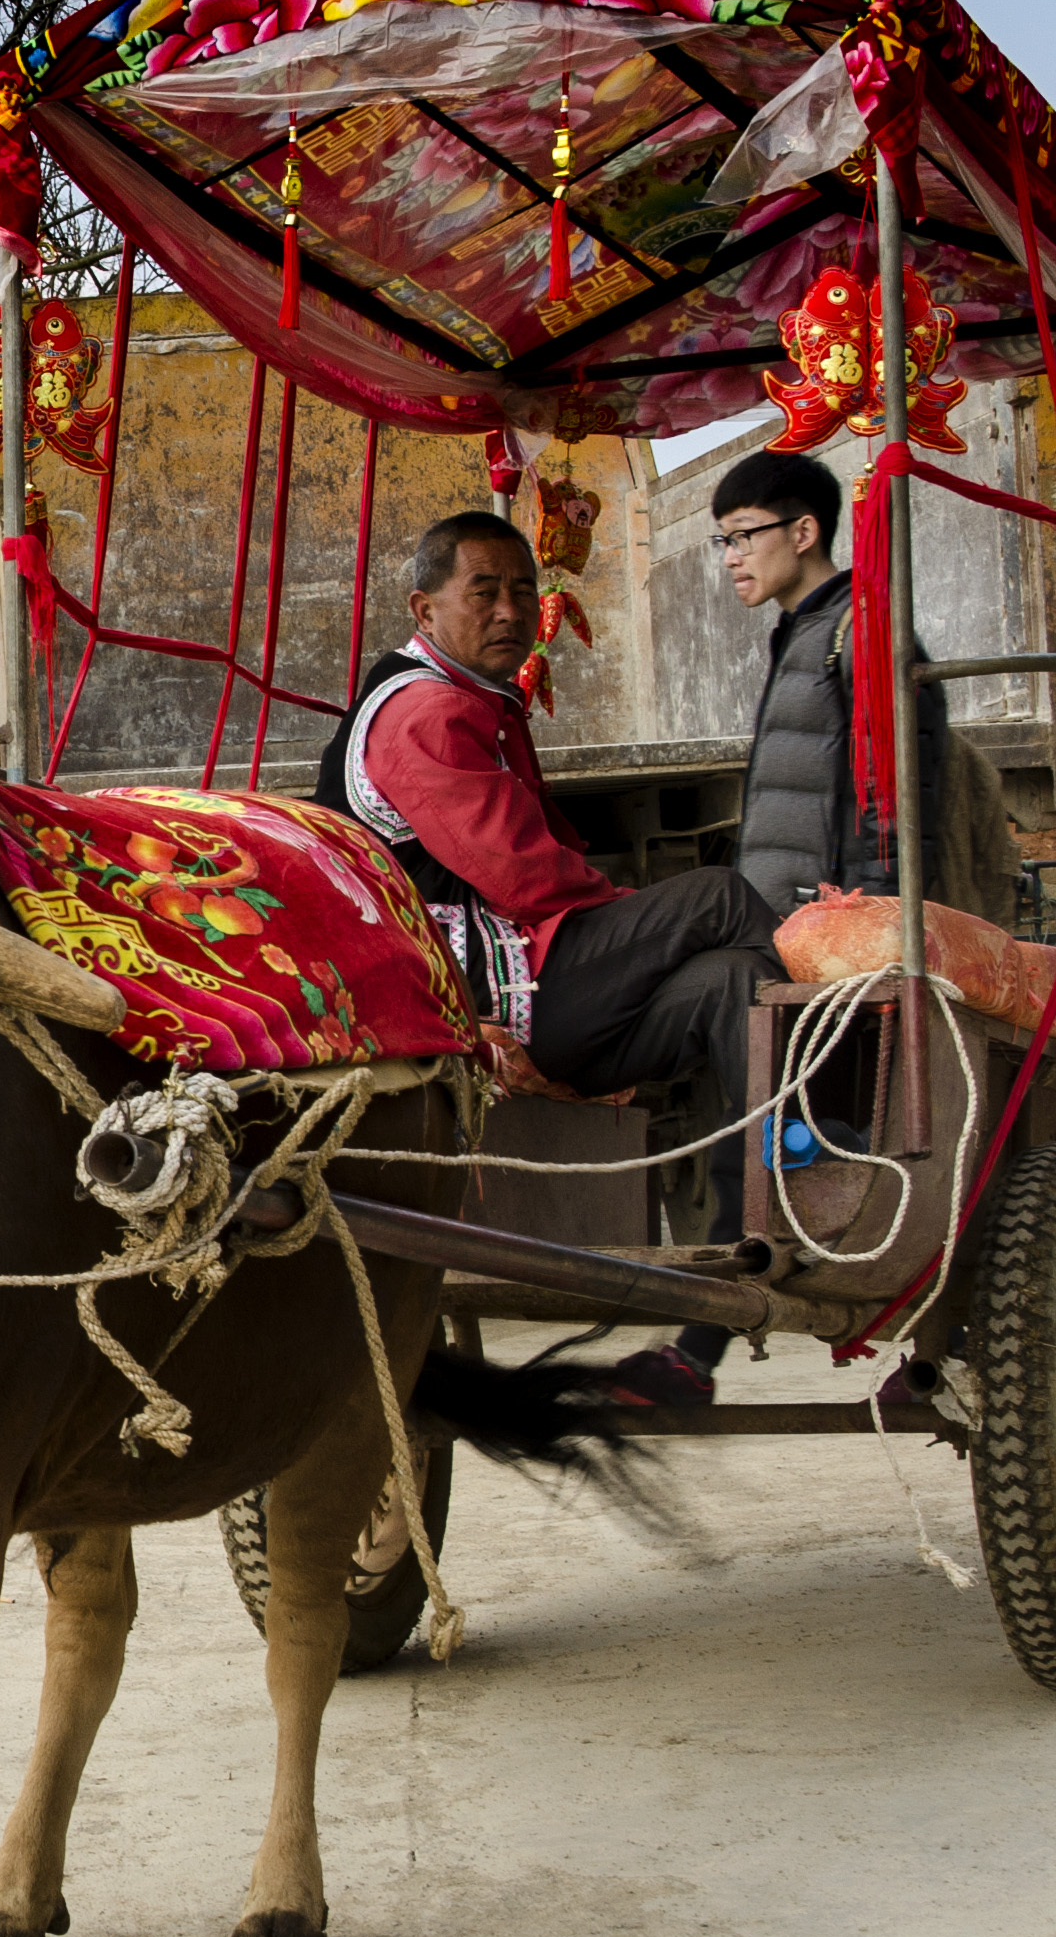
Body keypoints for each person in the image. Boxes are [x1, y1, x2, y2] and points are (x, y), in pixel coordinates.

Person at [322, 509, 784, 1405]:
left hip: (521, 974)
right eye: (482, 591)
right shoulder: (425, 711)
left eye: (524, 591)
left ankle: (752, 1222)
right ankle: (817, 1139)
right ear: (425, 608)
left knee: (734, 984)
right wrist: (636, 925)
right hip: (482, 991)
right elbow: (525, 873)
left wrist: (633, 933)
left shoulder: (475, 701)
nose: (509, 611)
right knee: (720, 900)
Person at [714, 448, 956, 913]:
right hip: (789, 920)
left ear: (803, 532)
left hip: (834, 921)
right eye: (723, 540)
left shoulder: (861, 633)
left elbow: (897, 806)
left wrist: (880, 919)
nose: (729, 558)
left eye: (743, 536)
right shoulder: (802, 630)